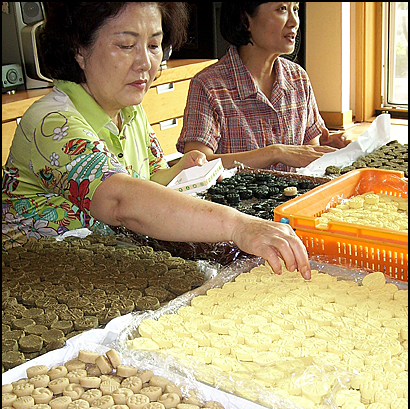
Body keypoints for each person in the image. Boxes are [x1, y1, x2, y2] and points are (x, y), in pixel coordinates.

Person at [2, 2, 311, 280]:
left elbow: (150, 180)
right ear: (78, 48)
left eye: (154, 46)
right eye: (125, 45)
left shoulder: (131, 111)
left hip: (105, 268)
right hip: (35, 286)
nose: (145, 63)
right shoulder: (51, 123)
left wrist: (181, 170)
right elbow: (121, 199)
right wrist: (237, 226)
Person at [177, 1, 350, 172]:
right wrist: (275, 153)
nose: (294, 21)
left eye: (295, 9)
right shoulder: (208, 85)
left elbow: (310, 153)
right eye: (282, 9)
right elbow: (196, 165)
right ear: (245, 20)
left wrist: (328, 147)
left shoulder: (298, 78)